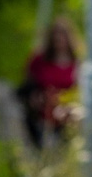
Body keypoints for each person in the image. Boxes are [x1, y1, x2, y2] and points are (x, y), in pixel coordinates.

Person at [16, 19, 81, 151]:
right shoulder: (39, 60)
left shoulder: (77, 63)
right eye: (55, 35)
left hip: (65, 115)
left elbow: (79, 92)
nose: (58, 39)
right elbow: (26, 84)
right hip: (39, 113)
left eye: (61, 35)